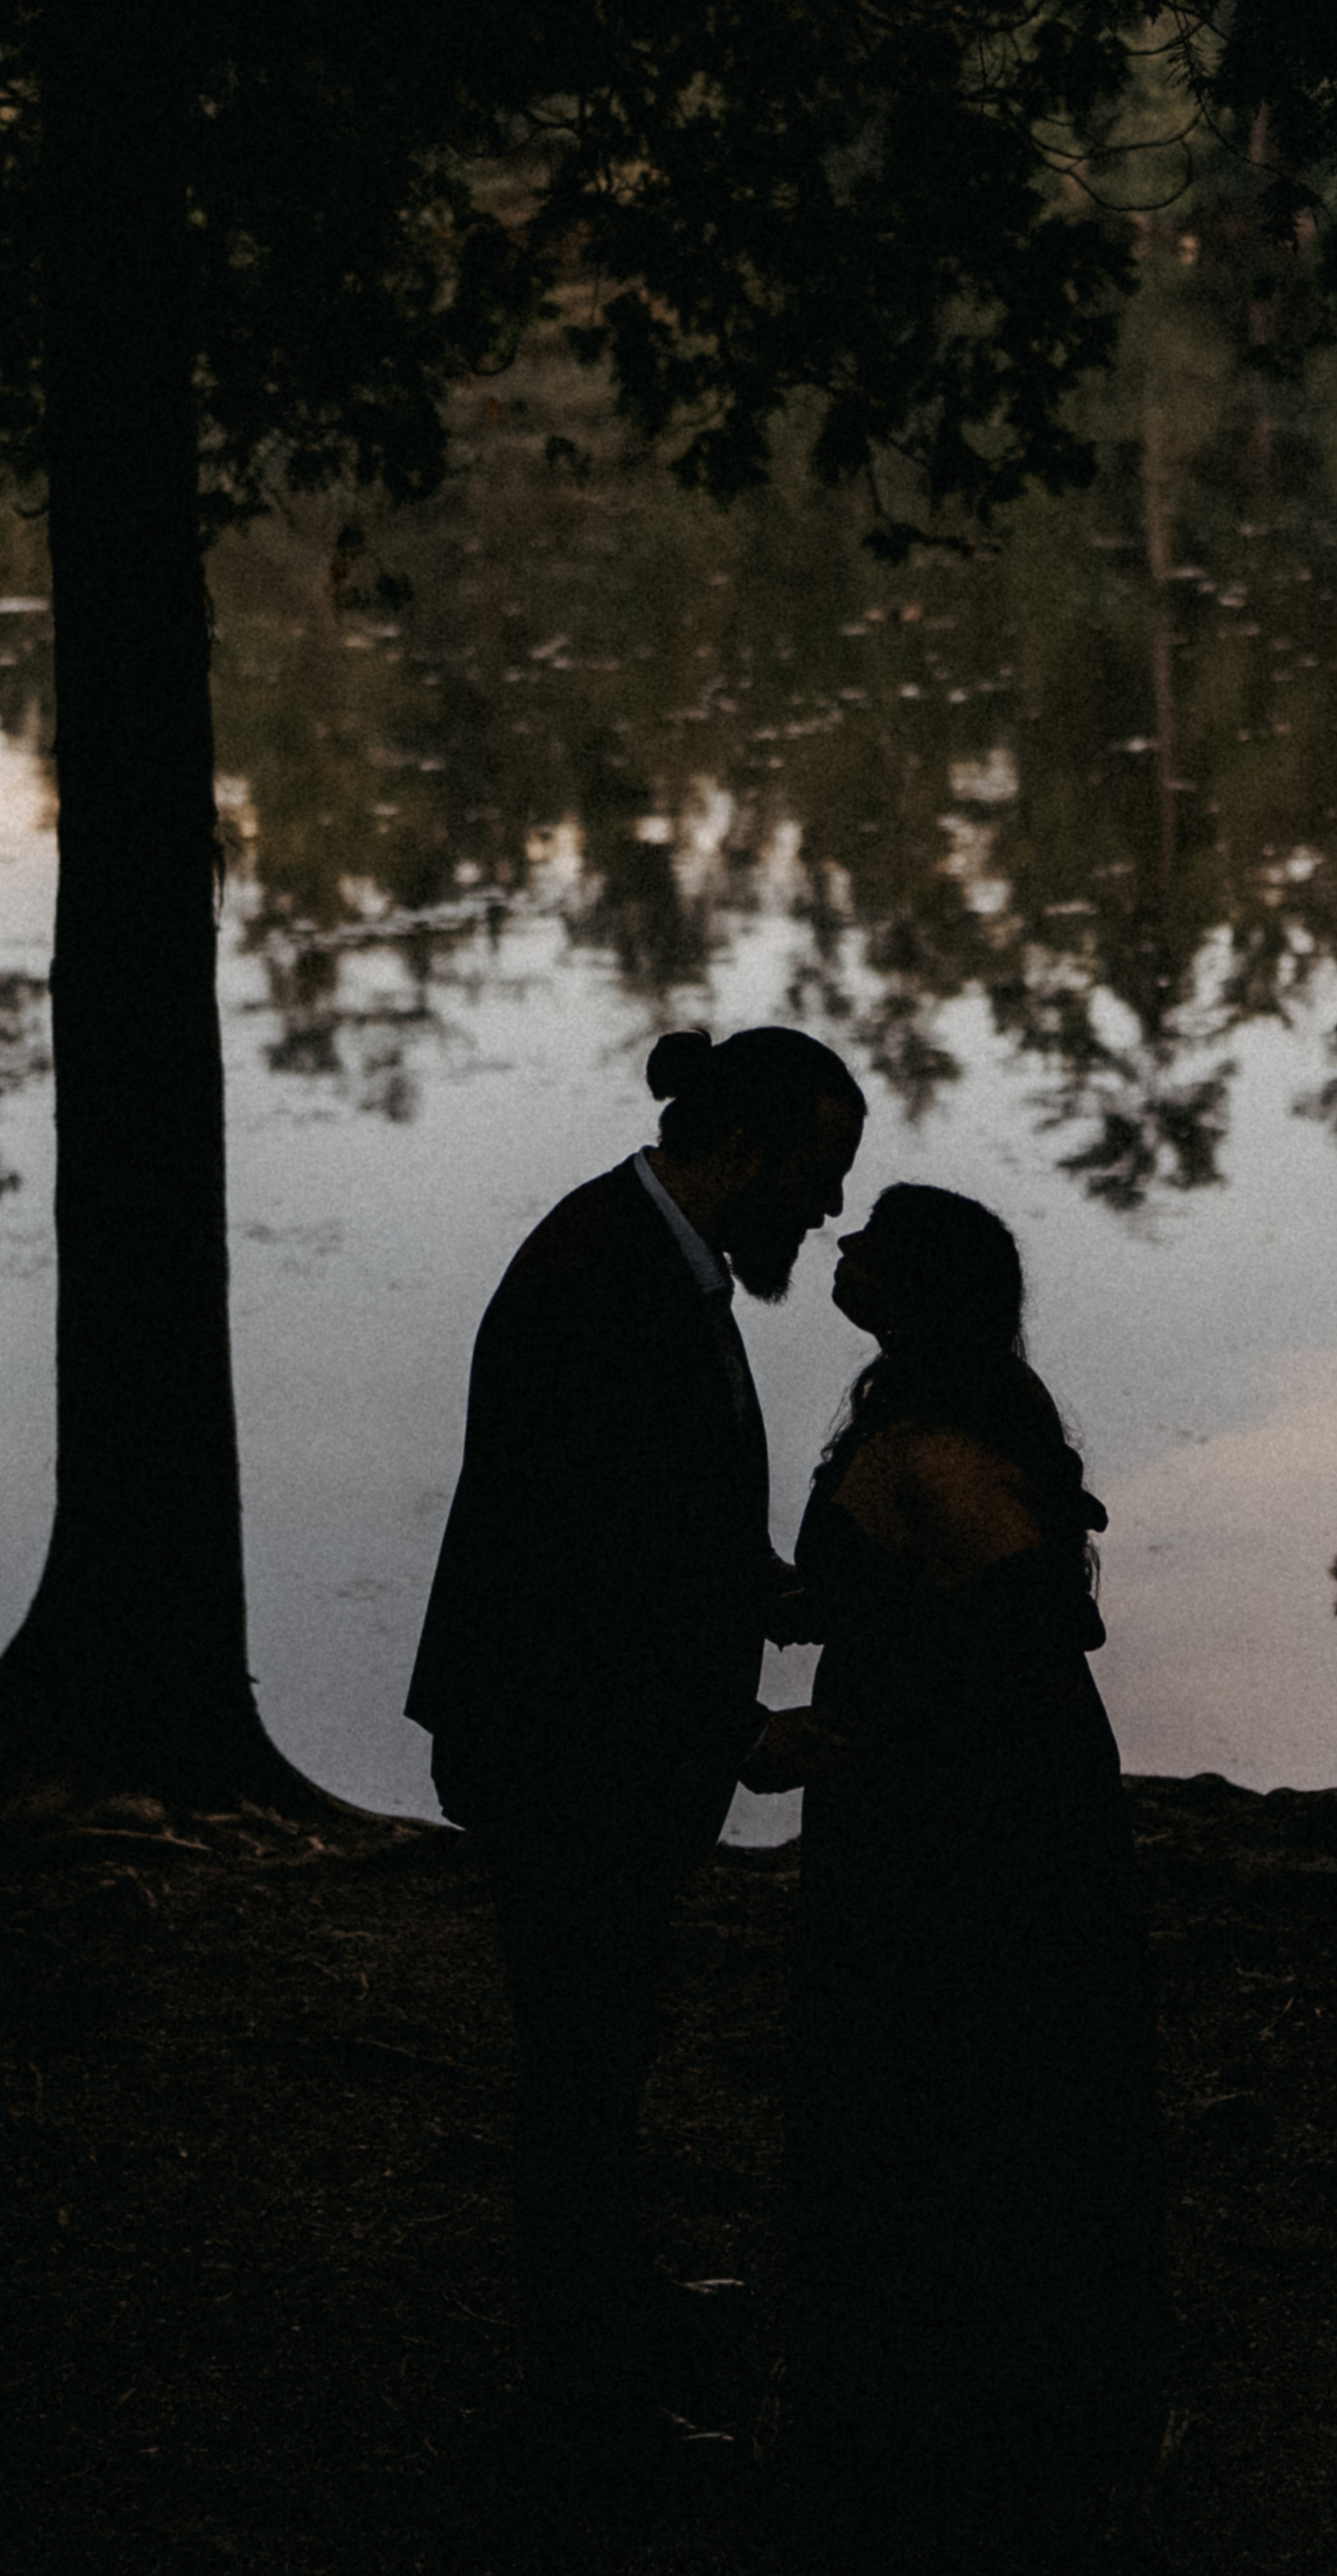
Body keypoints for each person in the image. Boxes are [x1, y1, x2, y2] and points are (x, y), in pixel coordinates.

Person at [406, 1021, 867, 2478]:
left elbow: (659, 1517)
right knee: (580, 2068)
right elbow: (587, 1570)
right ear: (749, 1147)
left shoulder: (650, 1254)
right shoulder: (605, 1281)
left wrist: (772, 1593)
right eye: (820, 1173)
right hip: (561, 1750)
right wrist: (740, 1732)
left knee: (608, 2048)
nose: (831, 1209)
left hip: (590, 1737)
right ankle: (585, 2412)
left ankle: (617, 2309)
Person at [743, 1182, 1169, 2552]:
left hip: (968, 1823)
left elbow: (1031, 1634)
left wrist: (883, 1729)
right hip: (911, 1801)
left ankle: (958, 2411)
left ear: (920, 1286)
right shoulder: (908, 1419)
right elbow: (888, 1594)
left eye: (874, 1241)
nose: (844, 1246)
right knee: (905, 2077)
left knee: (948, 2076)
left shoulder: (942, 1453)